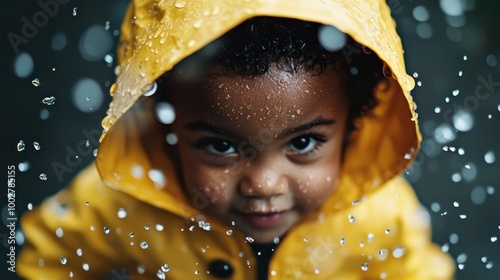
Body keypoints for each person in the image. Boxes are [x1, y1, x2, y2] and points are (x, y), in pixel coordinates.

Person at [18, 0, 455, 279]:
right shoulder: (118, 202)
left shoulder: (379, 215)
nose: (263, 185)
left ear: (353, 126)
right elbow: (49, 258)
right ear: (163, 123)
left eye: (302, 144)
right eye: (221, 146)